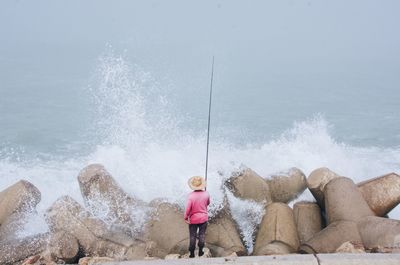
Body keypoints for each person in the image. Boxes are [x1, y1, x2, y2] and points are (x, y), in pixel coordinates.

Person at [184, 176, 210, 258]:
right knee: (202, 235)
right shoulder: (206, 194)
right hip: (203, 218)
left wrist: (186, 217)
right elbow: (208, 203)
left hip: (193, 219)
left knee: (192, 236)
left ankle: (191, 253)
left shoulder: (190, 196)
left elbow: (188, 208)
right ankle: (200, 251)